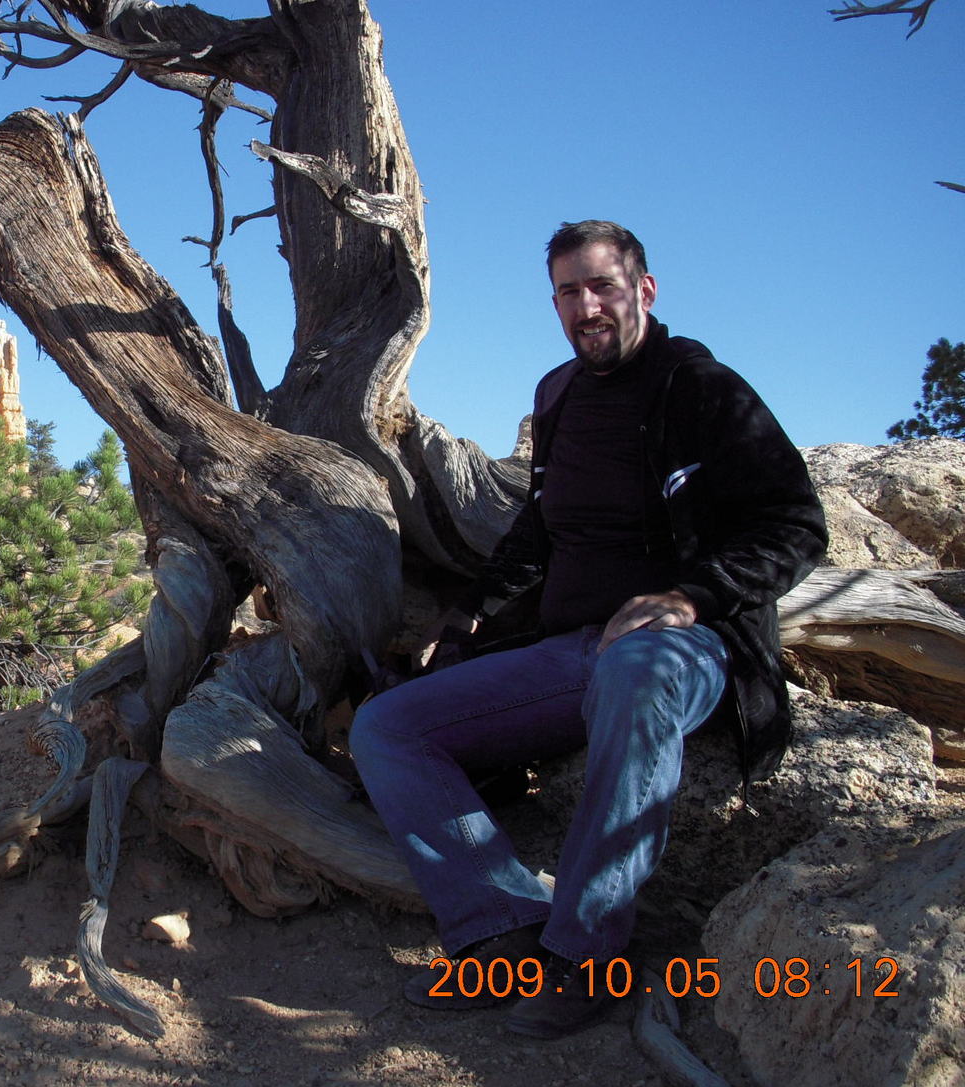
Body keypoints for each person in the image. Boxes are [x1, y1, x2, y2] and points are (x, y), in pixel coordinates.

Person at [350, 220, 826, 1039]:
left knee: (634, 673)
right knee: (388, 728)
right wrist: (471, 613)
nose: (587, 306)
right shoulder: (558, 394)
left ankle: (588, 954)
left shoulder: (701, 387)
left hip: (687, 648)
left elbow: (796, 525)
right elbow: (541, 526)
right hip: (575, 650)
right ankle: (503, 927)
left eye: (603, 286)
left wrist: (691, 596)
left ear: (645, 289)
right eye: (569, 292)